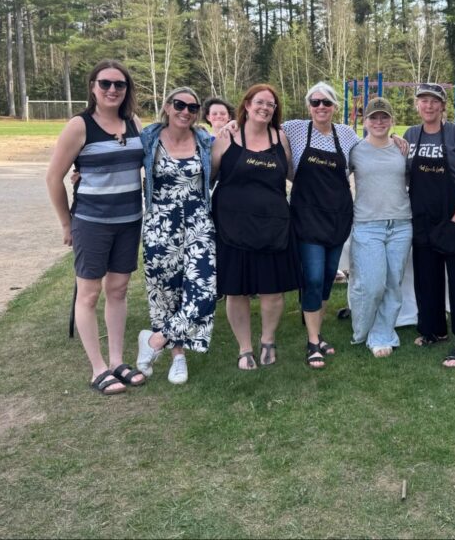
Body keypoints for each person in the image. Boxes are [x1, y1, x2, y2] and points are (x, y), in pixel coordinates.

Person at [45, 59, 146, 395]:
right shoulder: (80, 125)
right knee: (88, 294)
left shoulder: (133, 123)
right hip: (92, 222)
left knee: (117, 290)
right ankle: (98, 368)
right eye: (105, 83)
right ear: (93, 87)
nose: (113, 90)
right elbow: (53, 177)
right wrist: (66, 222)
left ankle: (117, 360)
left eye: (119, 84)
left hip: (129, 221)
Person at [211, 84, 302, 370]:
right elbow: (207, 176)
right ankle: (244, 348)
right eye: (260, 102)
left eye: (271, 105)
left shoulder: (280, 137)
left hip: (273, 226)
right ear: (247, 105)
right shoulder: (227, 136)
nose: (265, 108)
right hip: (231, 226)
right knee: (236, 290)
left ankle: (268, 340)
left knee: (272, 289)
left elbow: (293, 175)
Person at [134, 87, 217, 385]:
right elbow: (121, 159)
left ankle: (155, 340)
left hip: (198, 223)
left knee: (204, 291)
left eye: (192, 107)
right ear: (168, 107)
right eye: (179, 105)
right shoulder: (148, 138)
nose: (185, 111)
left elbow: (221, 170)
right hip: (160, 223)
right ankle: (177, 356)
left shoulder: (205, 140)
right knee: (166, 293)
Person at [282, 81, 359, 369]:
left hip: (338, 215)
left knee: (328, 276)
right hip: (307, 216)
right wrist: (228, 127)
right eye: (315, 102)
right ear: (308, 106)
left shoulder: (347, 134)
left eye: (326, 102)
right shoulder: (294, 128)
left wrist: (398, 141)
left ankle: (317, 331)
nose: (321, 107)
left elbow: (364, 159)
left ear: (335, 107)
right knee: (313, 277)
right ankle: (313, 340)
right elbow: (261, 126)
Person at [404, 82, 455, 369]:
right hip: (422, 219)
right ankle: (433, 330)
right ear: (417, 104)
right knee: (427, 280)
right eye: (423, 100)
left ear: (443, 105)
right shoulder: (411, 135)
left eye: (434, 101)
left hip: (454, 218)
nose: (429, 106)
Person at [347, 97, 413, 358]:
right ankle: (362, 330)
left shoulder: (402, 148)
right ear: (365, 122)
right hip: (367, 225)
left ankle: (383, 333)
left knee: (393, 283)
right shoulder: (355, 150)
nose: (379, 122)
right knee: (372, 284)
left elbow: (408, 179)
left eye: (384, 117)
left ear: (391, 121)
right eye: (373, 117)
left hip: (400, 224)